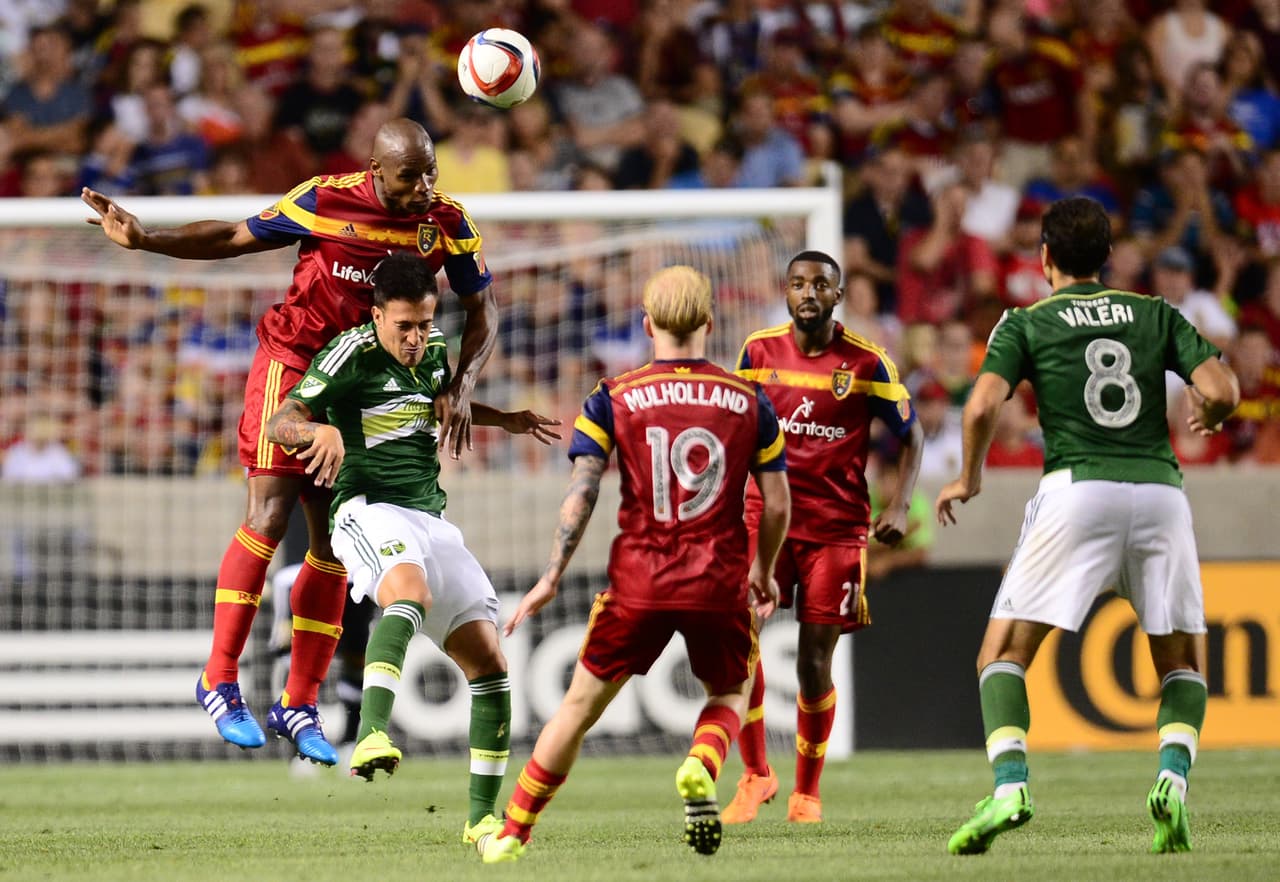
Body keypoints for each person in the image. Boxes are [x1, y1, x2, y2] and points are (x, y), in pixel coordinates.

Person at [80, 117, 499, 766]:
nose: (424, 186)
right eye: (409, 175)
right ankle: (218, 677)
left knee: (337, 541)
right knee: (270, 512)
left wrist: (463, 386)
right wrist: (148, 239)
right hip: (294, 362)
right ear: (376, 170)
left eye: (431, 172)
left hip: (360, 391)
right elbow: (234, 234)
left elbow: (482, 310)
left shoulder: (447, 222)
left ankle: (299, 702)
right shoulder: (325, 200)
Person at [935, 196, 1240, 856]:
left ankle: (1012, 787)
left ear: (1043, 257)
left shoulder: (1025, 322)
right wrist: (1212, 417)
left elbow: (983, 402)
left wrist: (969, 476)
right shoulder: (1155, 313)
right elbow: (1221, 389)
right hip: (1160, 492)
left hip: (1077, 490)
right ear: (1107, 259)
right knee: (1182, 663)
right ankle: (1171, 782)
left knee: (1003, 654)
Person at [477, 266, 791, 863]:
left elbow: (583, 491)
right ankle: (701, 762)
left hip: (639, 581)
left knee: (577, 708)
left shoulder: (612, 396)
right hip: (718, 580)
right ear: (708, 323)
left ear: (645, 325)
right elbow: (777, 502)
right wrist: (765, 570)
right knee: (731, 689)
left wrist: (551, 577)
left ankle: (513, 832)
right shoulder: (752, 401)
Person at [265, 252, 557, 842]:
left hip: (429, 518)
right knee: (408, 591)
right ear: (376, 317)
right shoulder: (351, 351)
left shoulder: (436, 353)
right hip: (364, 510)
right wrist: (316, 428)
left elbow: (433, 405)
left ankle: (480, 820)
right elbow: (280, 421)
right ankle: (371, 732)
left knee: (490, 663)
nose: (417, 338)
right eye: (404, 326)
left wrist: (503, 419)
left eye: (425, 324)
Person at [724, 250, 924, 825]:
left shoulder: (867, 363)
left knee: (814, 662)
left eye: (819, 284)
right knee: (739, 644)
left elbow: (910, 438)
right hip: (764, 522)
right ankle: (757, 775)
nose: (807, 292)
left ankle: (806, 792)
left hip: (835, 531)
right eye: (797, 283)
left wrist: (901, 505)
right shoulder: (758, 351)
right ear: (785, 293)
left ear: (838, 295)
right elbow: (737, 430)